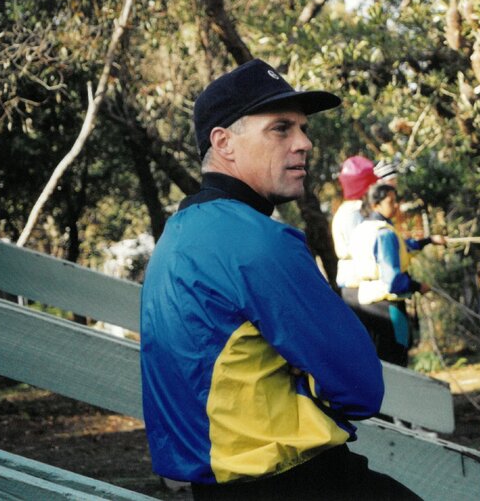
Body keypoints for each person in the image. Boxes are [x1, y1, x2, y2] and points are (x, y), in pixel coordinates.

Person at [139, 59, 418, 500]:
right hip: (293, 482)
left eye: (304, 129)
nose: (304, 143)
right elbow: (362, 387)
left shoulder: (178, 234)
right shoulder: (259, 242)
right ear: (224, 142)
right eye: (281, 129)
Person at [348, 182, 445, 366]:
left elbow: (405, 246)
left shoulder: (362, 229)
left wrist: (429, 240)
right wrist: (417, 286)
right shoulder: (384, 233)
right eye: (391, 201)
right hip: (388, 305)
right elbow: (393, 280)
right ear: (376, 205)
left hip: (365, 302)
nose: (396, 206)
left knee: (378, 361)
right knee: (397, 357)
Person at [332, 155, 379, 289]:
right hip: (357, 283)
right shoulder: (353, 213)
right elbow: (362, 248)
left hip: (359, 281)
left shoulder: (351, 210)